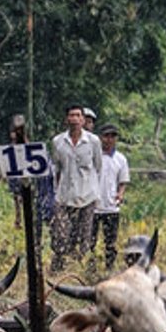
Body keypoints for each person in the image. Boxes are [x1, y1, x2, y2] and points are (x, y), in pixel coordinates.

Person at [49, 103, 101, 273]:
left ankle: (79, 270)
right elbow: (56, 168)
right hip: (64, 196)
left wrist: (93, 189)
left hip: (87, 196)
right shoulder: (58, 142)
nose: (74, 119)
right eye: (71, 115)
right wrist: (57, 191)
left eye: (78, 116)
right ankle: (58, 267)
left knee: (84, 237)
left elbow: (98, 167)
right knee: (60, 234)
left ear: (83, 119)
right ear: (66, 119)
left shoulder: (93, 141)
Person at [93, 123, 129, 268]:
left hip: (111, 207)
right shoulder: (94, 156)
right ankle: (91, 267)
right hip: (94, 206)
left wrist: (120, 194)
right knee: (90, 242)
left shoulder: (121, 159)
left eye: (112, 136)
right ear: (100, 138)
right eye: (106, 136)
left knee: (110, 242)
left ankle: (109, 268)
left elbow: (123, 181)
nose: (109, 139)